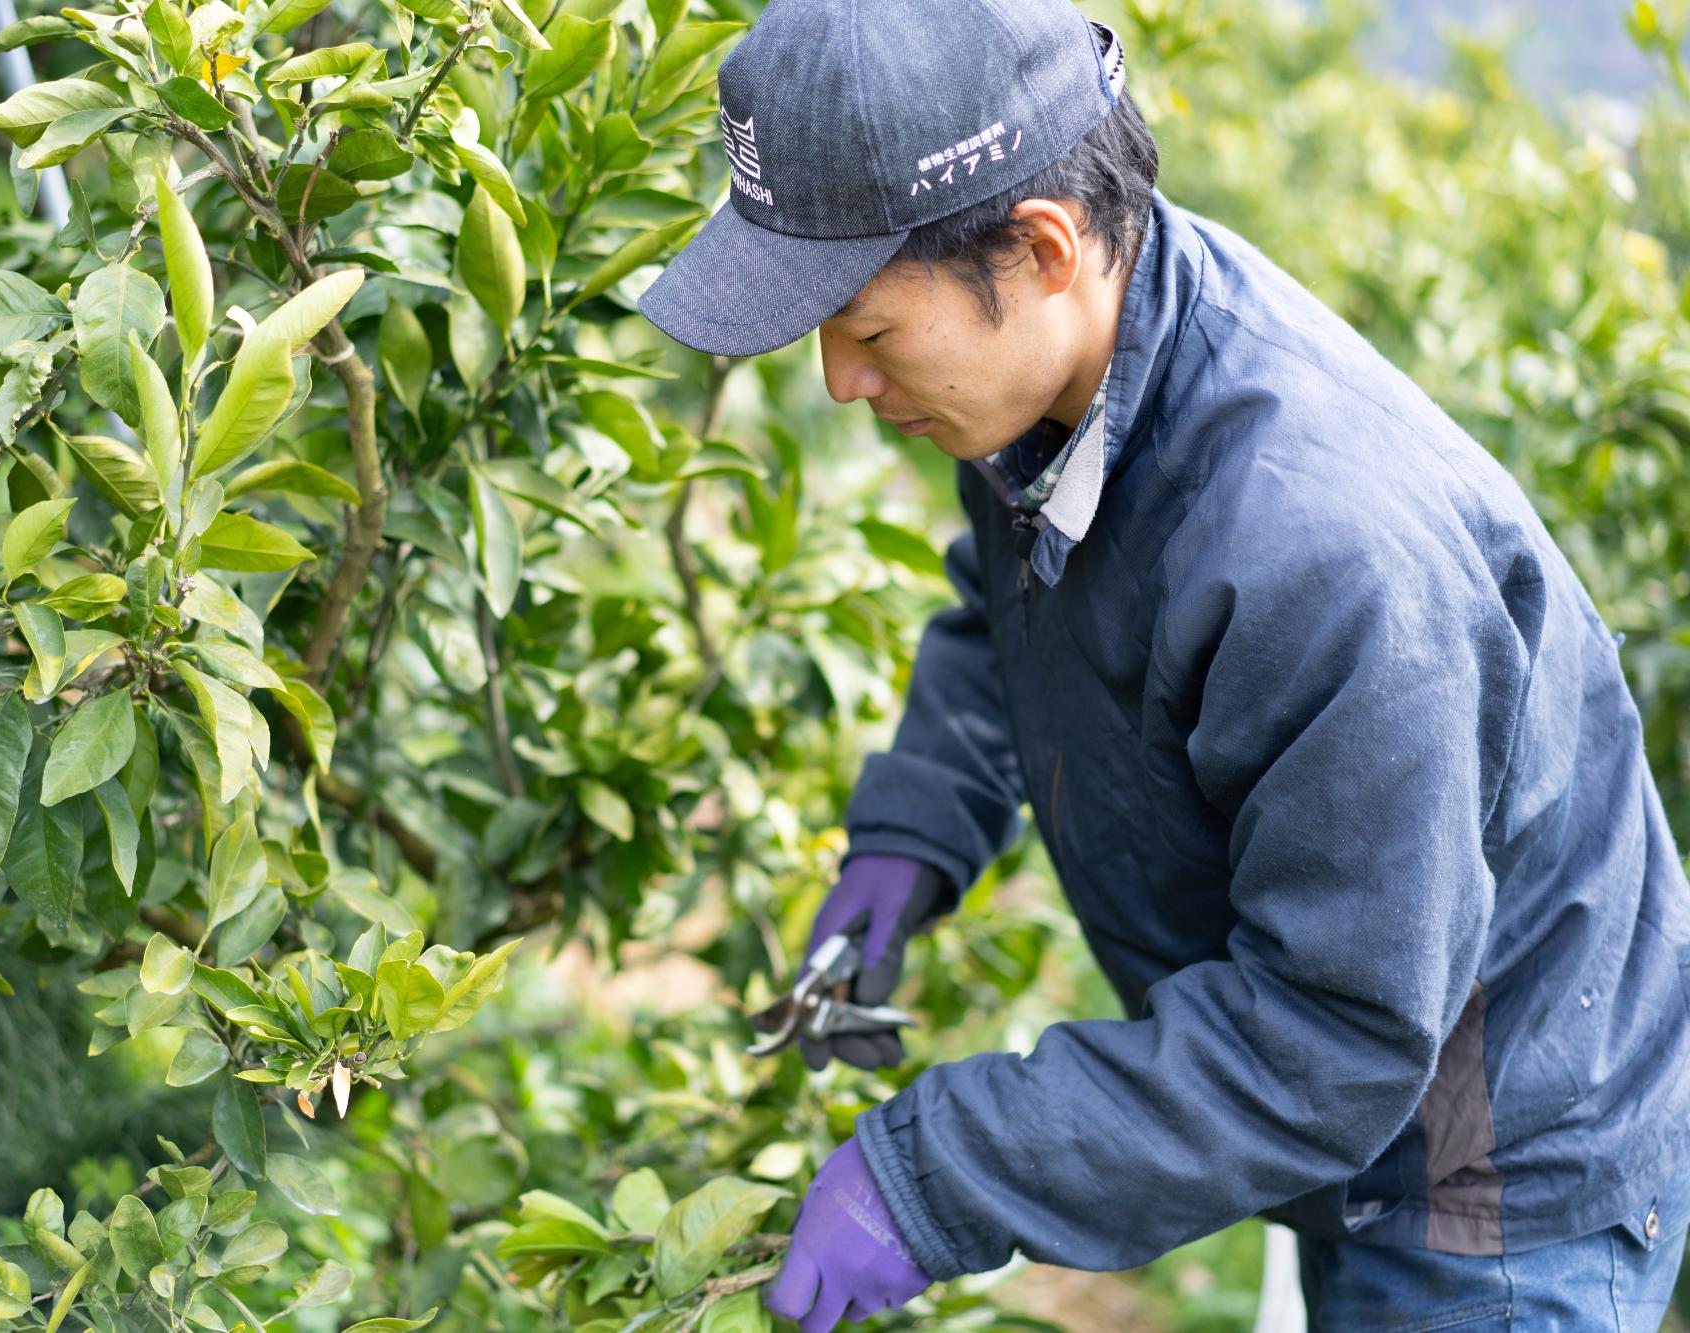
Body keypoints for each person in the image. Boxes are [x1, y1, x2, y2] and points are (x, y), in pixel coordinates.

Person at [635, 0, 1690, 1328]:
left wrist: (938, 1172)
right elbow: (1015, 606)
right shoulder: (1064, 380)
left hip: (1489, 1174)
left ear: (1040, 247)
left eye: (867, 327)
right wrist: (914, 829)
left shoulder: (1327, 557)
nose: (841, 379)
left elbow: (1332, 1039)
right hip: (1372, 1106)